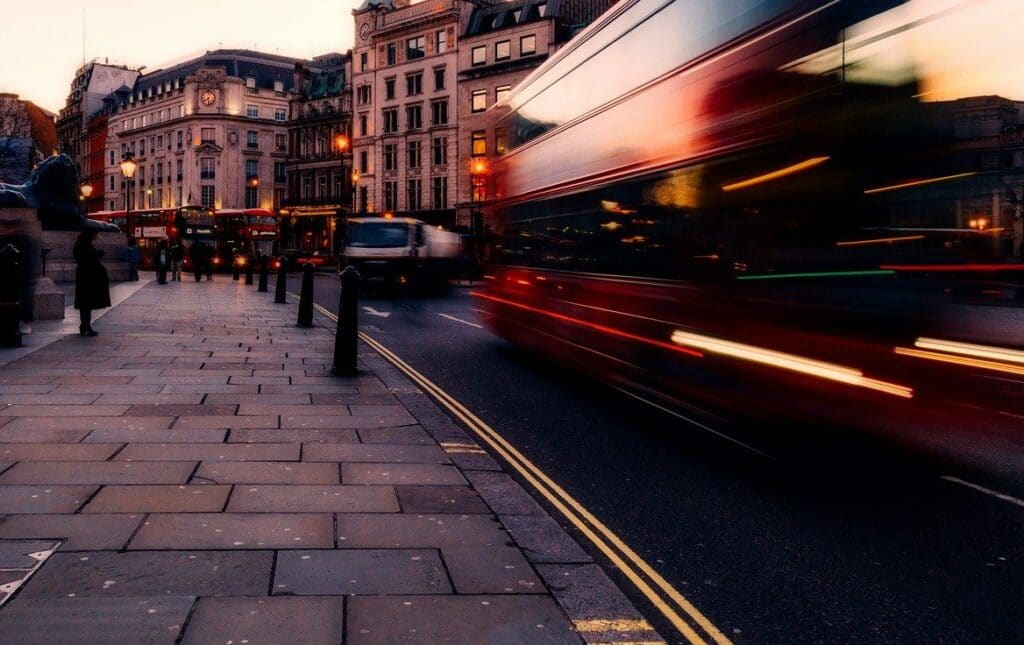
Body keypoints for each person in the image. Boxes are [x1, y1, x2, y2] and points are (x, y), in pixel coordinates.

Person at [0, 216, 36, 335]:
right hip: (6, 274)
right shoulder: (2, 240)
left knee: (26, 292)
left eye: (8, 227)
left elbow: (28, 260)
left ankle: (25, 320)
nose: (3, 230)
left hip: (21, 275)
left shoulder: (24, 240)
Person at [73, 230, 110, 337]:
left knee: (86, 304)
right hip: (87, 278)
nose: (96, 236)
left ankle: (85, 325)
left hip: (85, 278)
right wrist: (98, 254)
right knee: (86, 303)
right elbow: (88, 258)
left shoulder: (82, 244)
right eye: (95, 234)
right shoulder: (84, 245)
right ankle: (85, 325)